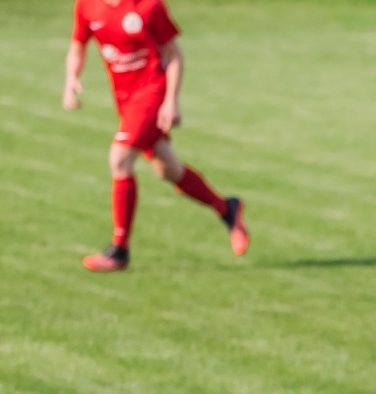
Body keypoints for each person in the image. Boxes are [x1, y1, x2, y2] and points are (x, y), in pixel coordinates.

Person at [64, 0, 248, 272]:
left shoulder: (149, 6)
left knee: (120, 158)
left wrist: (171, 101)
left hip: (152, 93)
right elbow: (78, 44)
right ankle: (226, 208)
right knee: (168, 170)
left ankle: (119, 250)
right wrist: (71, 80)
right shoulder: (87, 5)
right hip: (125, 99)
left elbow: (173, 55)